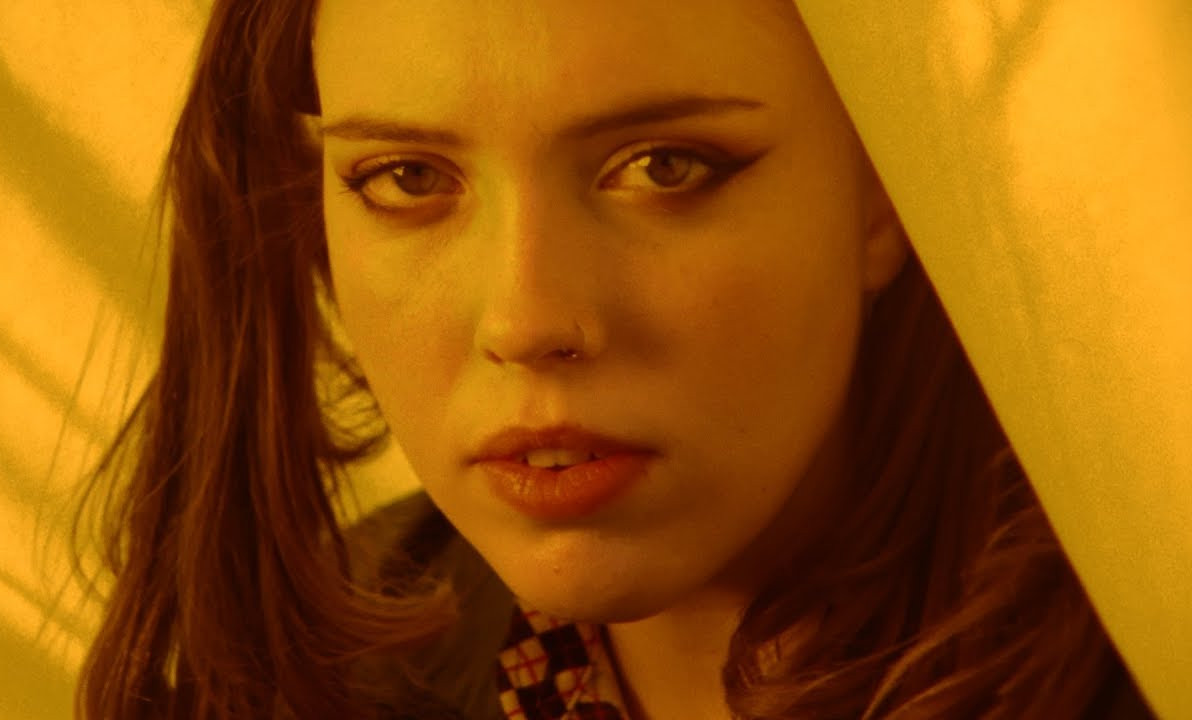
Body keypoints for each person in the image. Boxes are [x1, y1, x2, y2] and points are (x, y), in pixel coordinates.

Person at [72, 1, 1157, 718]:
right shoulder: (306, 673)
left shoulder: (1150, 636)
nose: (525, 318)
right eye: (407, 178)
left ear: (885, 189)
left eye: (664, 167)